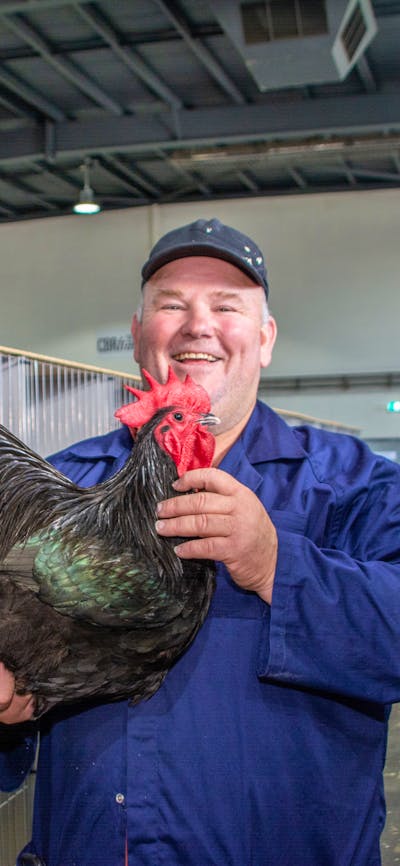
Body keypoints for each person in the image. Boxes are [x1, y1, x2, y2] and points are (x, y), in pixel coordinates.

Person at [0, 216, 400, 866]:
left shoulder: (356, 485)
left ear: (265, 338)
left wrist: (278, 566)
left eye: (226, 306)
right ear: (138, 333)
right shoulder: (62, 483)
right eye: (172, 305)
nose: (198, 325)